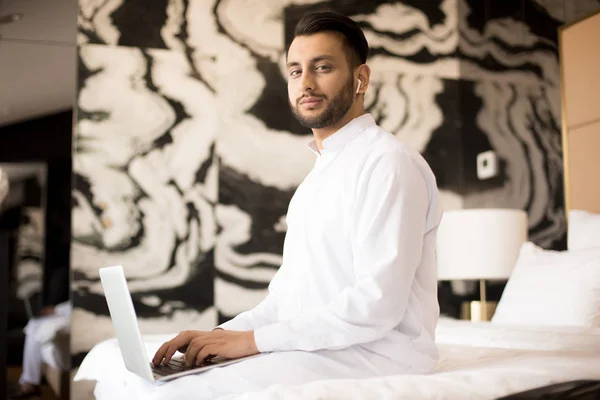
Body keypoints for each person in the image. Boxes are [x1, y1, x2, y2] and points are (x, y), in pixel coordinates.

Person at [151, 11, 443, 398]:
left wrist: (251, 343)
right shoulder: (314, 182)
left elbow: (377, 305)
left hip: (380, 357)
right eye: (294, 71)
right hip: (324, 350)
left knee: (195, 391)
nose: (305, 82)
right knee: (181, 376)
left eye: (322, 67)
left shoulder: (389, 163)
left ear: (361, 78)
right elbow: (286, 301)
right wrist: (221, 336)